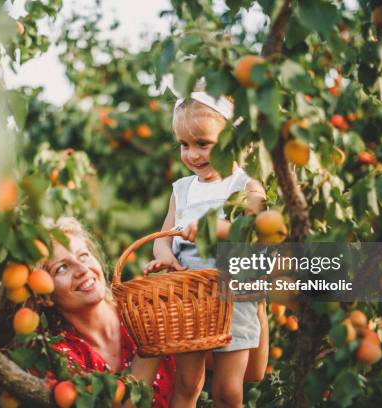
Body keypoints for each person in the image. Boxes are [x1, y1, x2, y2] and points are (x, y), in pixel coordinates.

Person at [144, 85, 269, 408]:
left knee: (228, 389)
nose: (192, 155)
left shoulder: (246, 186)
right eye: (184, 145)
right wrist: (166, 257)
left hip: (234, 297)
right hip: (190, 297)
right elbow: (163, 237)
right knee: (187, 384)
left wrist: (214, 228)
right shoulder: (182, 189)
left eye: (203, 144)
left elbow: (258, 231)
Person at [39, 217, 175, 408]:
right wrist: (154, 339)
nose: (82, 269)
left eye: (83, 256)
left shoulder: (140, 310)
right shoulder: (57, 357)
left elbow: (216, 359)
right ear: (45, 296)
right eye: (62, 268)